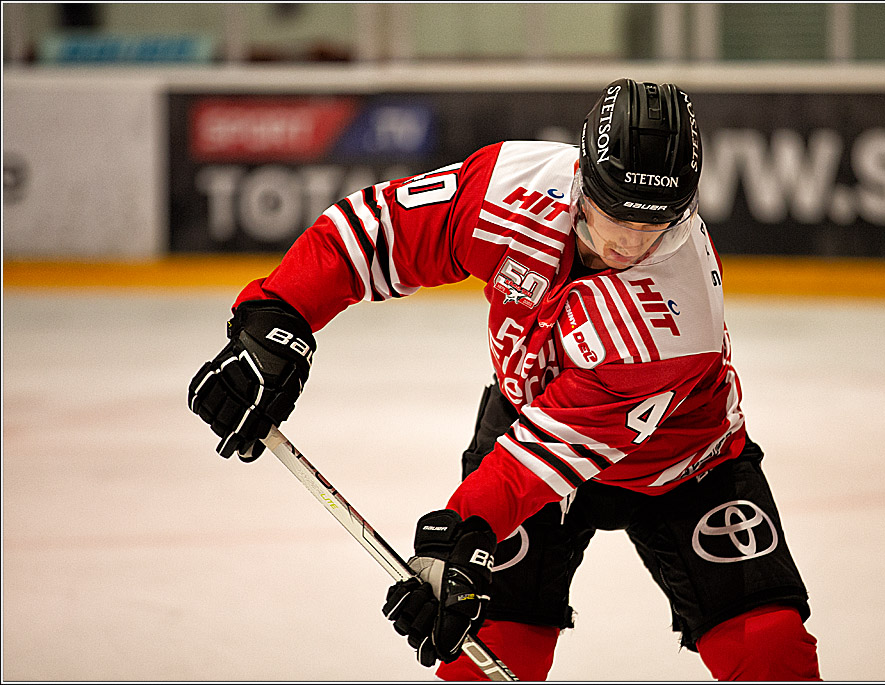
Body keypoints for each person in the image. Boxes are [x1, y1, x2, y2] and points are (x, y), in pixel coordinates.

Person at [188, 78, 821, 681]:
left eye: (654, 222)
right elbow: (377, 232)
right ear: (583, 175)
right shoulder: (510, 187)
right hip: (526, 412)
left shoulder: (676, 319)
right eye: (616, 213)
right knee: (492, 649)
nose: (631, 240)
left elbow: (547, 455)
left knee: (768, 649)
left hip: (685, 463)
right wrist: (276, 318)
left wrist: (463, 532)